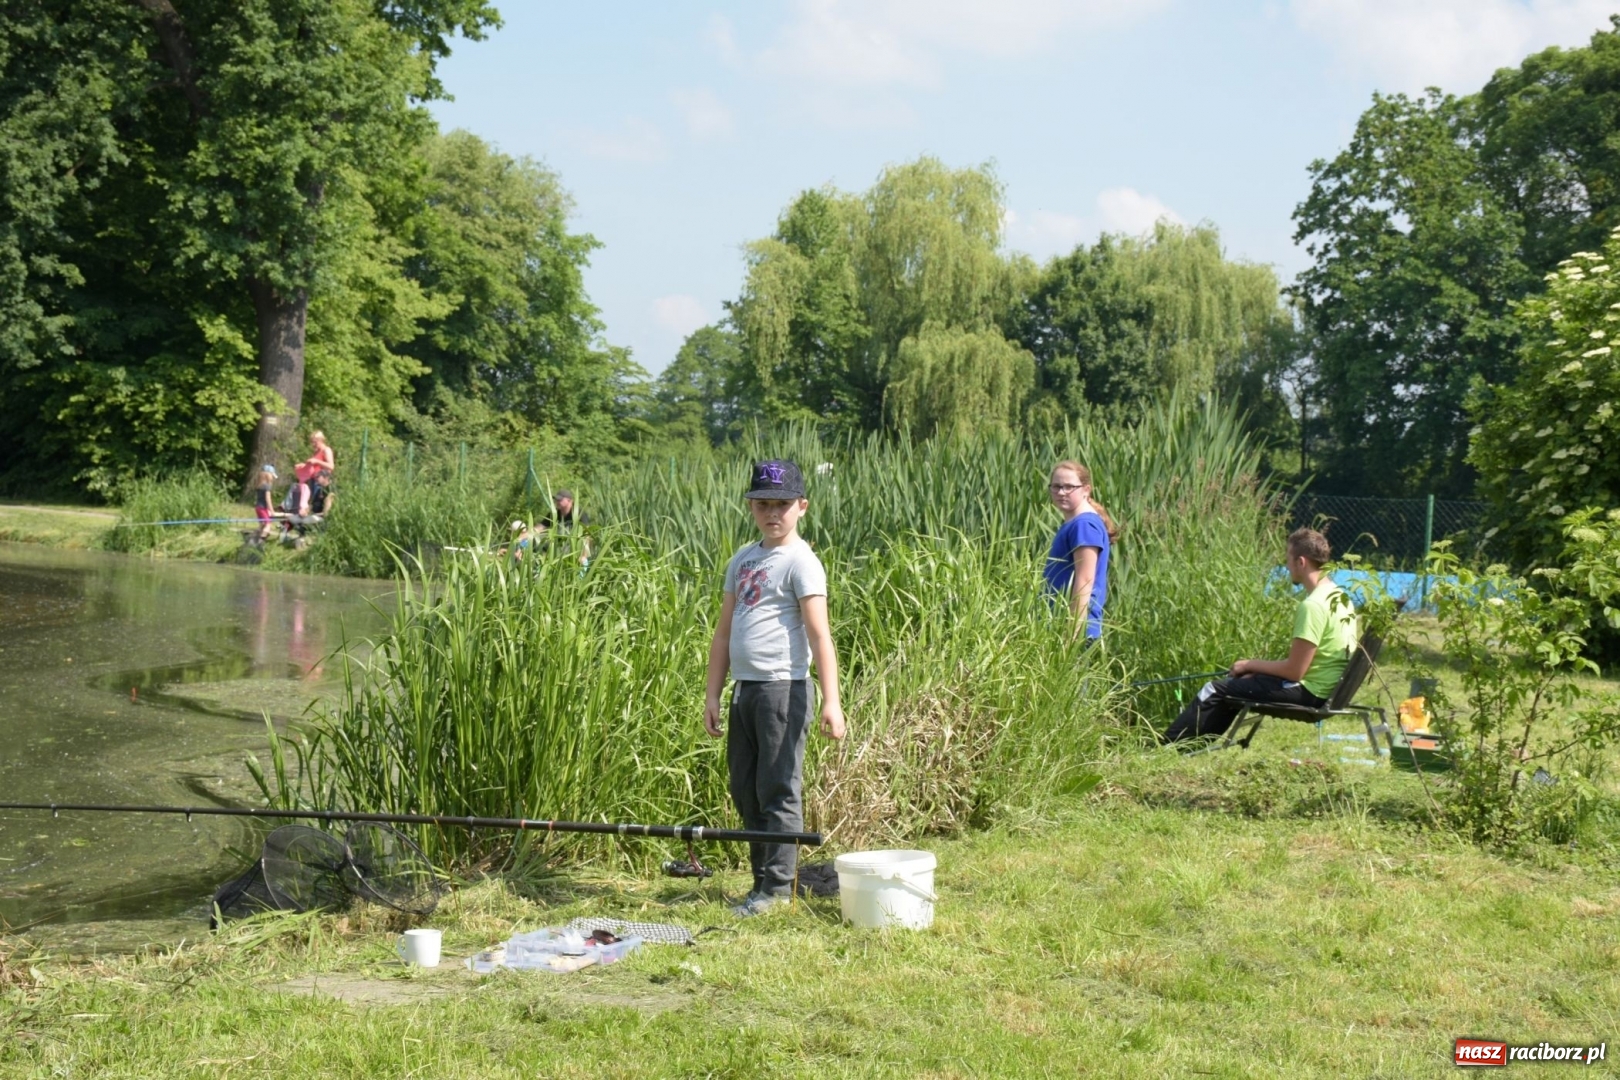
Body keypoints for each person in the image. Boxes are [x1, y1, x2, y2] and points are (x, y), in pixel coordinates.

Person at [703, 459, 845, 916]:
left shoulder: (802, 562)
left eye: (782, 504)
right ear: (751, 507)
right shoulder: (742, 559)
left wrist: (832, 701)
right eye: (763, 503)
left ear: (801, 506)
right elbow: (724, 632)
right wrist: (712, 693)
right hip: (744, 690)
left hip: (784, 690)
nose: (772, 513)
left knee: (779, 789)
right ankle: (761, 882)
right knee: (745, 790)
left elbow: (821, 634)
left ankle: (778, 890)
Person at [1163, 527, 1359, 743]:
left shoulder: (1312, 605)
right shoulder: (1341, 598)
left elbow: (1295, 671)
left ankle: (1164, 747)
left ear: (1301, 562)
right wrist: (1255, 675)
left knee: (1214, 689)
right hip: (1324, 688)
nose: (1287, 566)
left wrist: (1249, 664)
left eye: (1288, 559)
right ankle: (1190, 746)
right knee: (1239, 684)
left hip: (1310, 692)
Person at [1042, 461, 1119, 640]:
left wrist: (1071, 633)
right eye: (1056, 486)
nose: (1061, 492)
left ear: (1086, 489)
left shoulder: (1084, 525)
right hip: (1059, 625)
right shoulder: (1075, 523)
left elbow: (1085, 580)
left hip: (1075, 633)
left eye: (1069, 487)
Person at [252, 464, 278, 542]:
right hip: (263, 508)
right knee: (268, 524)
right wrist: (272, 511)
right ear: (268, 475)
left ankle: (253, 537)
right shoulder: (267, 486)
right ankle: (260, 540)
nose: (273, 478)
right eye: (272, 476)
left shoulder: (259, 485)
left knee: (262, 524)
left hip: (257, 507)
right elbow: (268, 499)